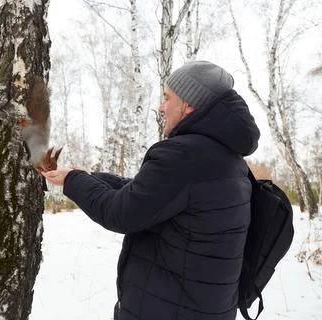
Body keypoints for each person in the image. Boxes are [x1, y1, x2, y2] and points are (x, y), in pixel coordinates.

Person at [41, 60, 260, 320]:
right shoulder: (226, 158)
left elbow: (120, 213)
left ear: (189, 105)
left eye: (167, 99)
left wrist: (72, 181)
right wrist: (88, 177)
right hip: (206, 309)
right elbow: (149, 196)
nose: (160, 107)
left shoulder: (183, 155)